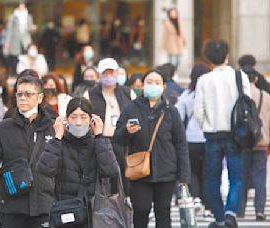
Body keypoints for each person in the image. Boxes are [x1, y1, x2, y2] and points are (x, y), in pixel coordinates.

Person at [113, 68, 190, 228]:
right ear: (142, 86)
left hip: (166, 171)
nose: (153, 85)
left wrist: (183, 176)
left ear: (163, 87)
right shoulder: (131, 108)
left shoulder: (171, 111)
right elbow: (118, 138)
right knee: (141, 210)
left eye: (157, 83)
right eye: (149, 82)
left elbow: (181, 144)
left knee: (163, 212)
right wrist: (126, 131)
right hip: (139, 170)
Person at [0, 75, 55, 228]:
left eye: (28, 94)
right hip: (11, 204)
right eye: (19, 94)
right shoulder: (2, 128)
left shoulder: (53, 128)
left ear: (40, 97)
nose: (22, 98)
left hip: (44, 204)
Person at [37, 97, 119, 228]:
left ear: (91, 119)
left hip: (94, 214)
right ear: (66, 119)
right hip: (65, 211)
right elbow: (45, 169)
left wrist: (99, 135)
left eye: (83, 117)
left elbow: (111, 170)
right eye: (73, 117)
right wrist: (57, 136)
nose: (78, 122)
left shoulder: (98, 143)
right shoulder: (59, 143)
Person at [194, 39, 251, 228]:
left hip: (212, 135)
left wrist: (207, 125)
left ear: (209, 58)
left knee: (212, 177)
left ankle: (219, 218)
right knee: (236, 176)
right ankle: (230, 212)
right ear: (227, 55)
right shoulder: (239, 76)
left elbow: (198, 112)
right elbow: (248, 104)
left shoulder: (204, 80)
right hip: (236, 134)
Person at [84, 58, 136, 196]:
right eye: (105, 73)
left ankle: (124, 202)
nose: (108, 76)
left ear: (117, 73)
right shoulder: (90, 94)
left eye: (111, 72)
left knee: (123, 176)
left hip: (123, 140)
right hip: (100, 139)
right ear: (99, 75)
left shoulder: (127, 92)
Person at [176, 63, 212, 218]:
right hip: (210, 137)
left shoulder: (186, 95)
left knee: (193, 171)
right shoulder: (212, 95)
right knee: (208, 172)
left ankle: (196, 198)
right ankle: (208, 205)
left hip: (190, 139)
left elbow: (179, 117)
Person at [237, 66, 270, 221]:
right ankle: (260, 210)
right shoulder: (266, 96)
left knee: (241, 176)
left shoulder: (238, 97)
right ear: (256, 79)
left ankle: (240, 209)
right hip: (261, 142)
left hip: (243, 142)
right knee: (260, 178)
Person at [5, 2, 34, 76]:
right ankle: (15, 73)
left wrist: (32, 29)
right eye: (20, 7)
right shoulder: (13, 16)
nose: (22, 8)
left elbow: (30, 28)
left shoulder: (28, 16)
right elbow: (9, 30)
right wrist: (7, 41)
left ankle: (25, 72)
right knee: (15, 57)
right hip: (15, 40)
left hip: (25, 40)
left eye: (23, 7)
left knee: (26, 55)